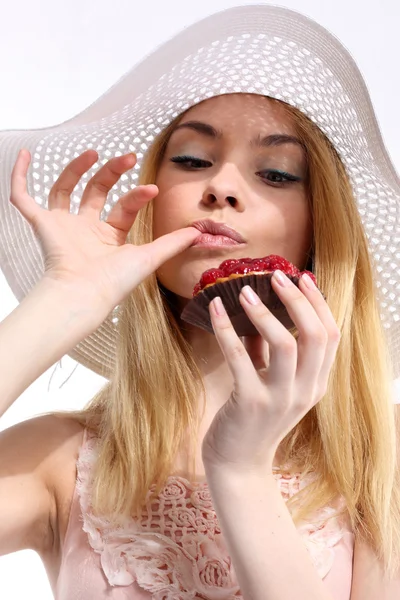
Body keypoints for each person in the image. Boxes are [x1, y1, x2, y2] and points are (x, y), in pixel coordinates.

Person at [0, 5, 399, 600]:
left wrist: (241, 471)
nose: (223, 188)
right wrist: (62, 299)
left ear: (322, 229)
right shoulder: (59, 458)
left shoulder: (383, 455)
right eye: (191, 160)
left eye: (278, 172)